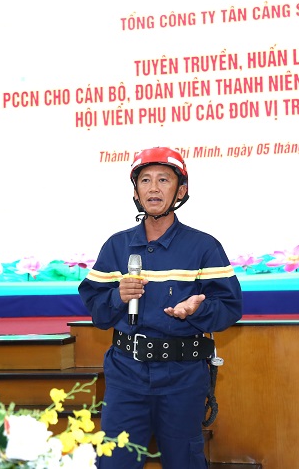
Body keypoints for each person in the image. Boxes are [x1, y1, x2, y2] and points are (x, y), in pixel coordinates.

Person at [78, 147, 243, 468]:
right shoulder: (116, 246)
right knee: (114, 461)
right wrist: (117, 297)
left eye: (164, 180)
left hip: (183, 375)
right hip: (126, 373)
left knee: (184, 461)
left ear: (180, 191)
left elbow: (230, 307)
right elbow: (98, 312)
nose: (153, 188)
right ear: (136, 192)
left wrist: (198, 309)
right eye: (145, 180)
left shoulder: (204, 246)